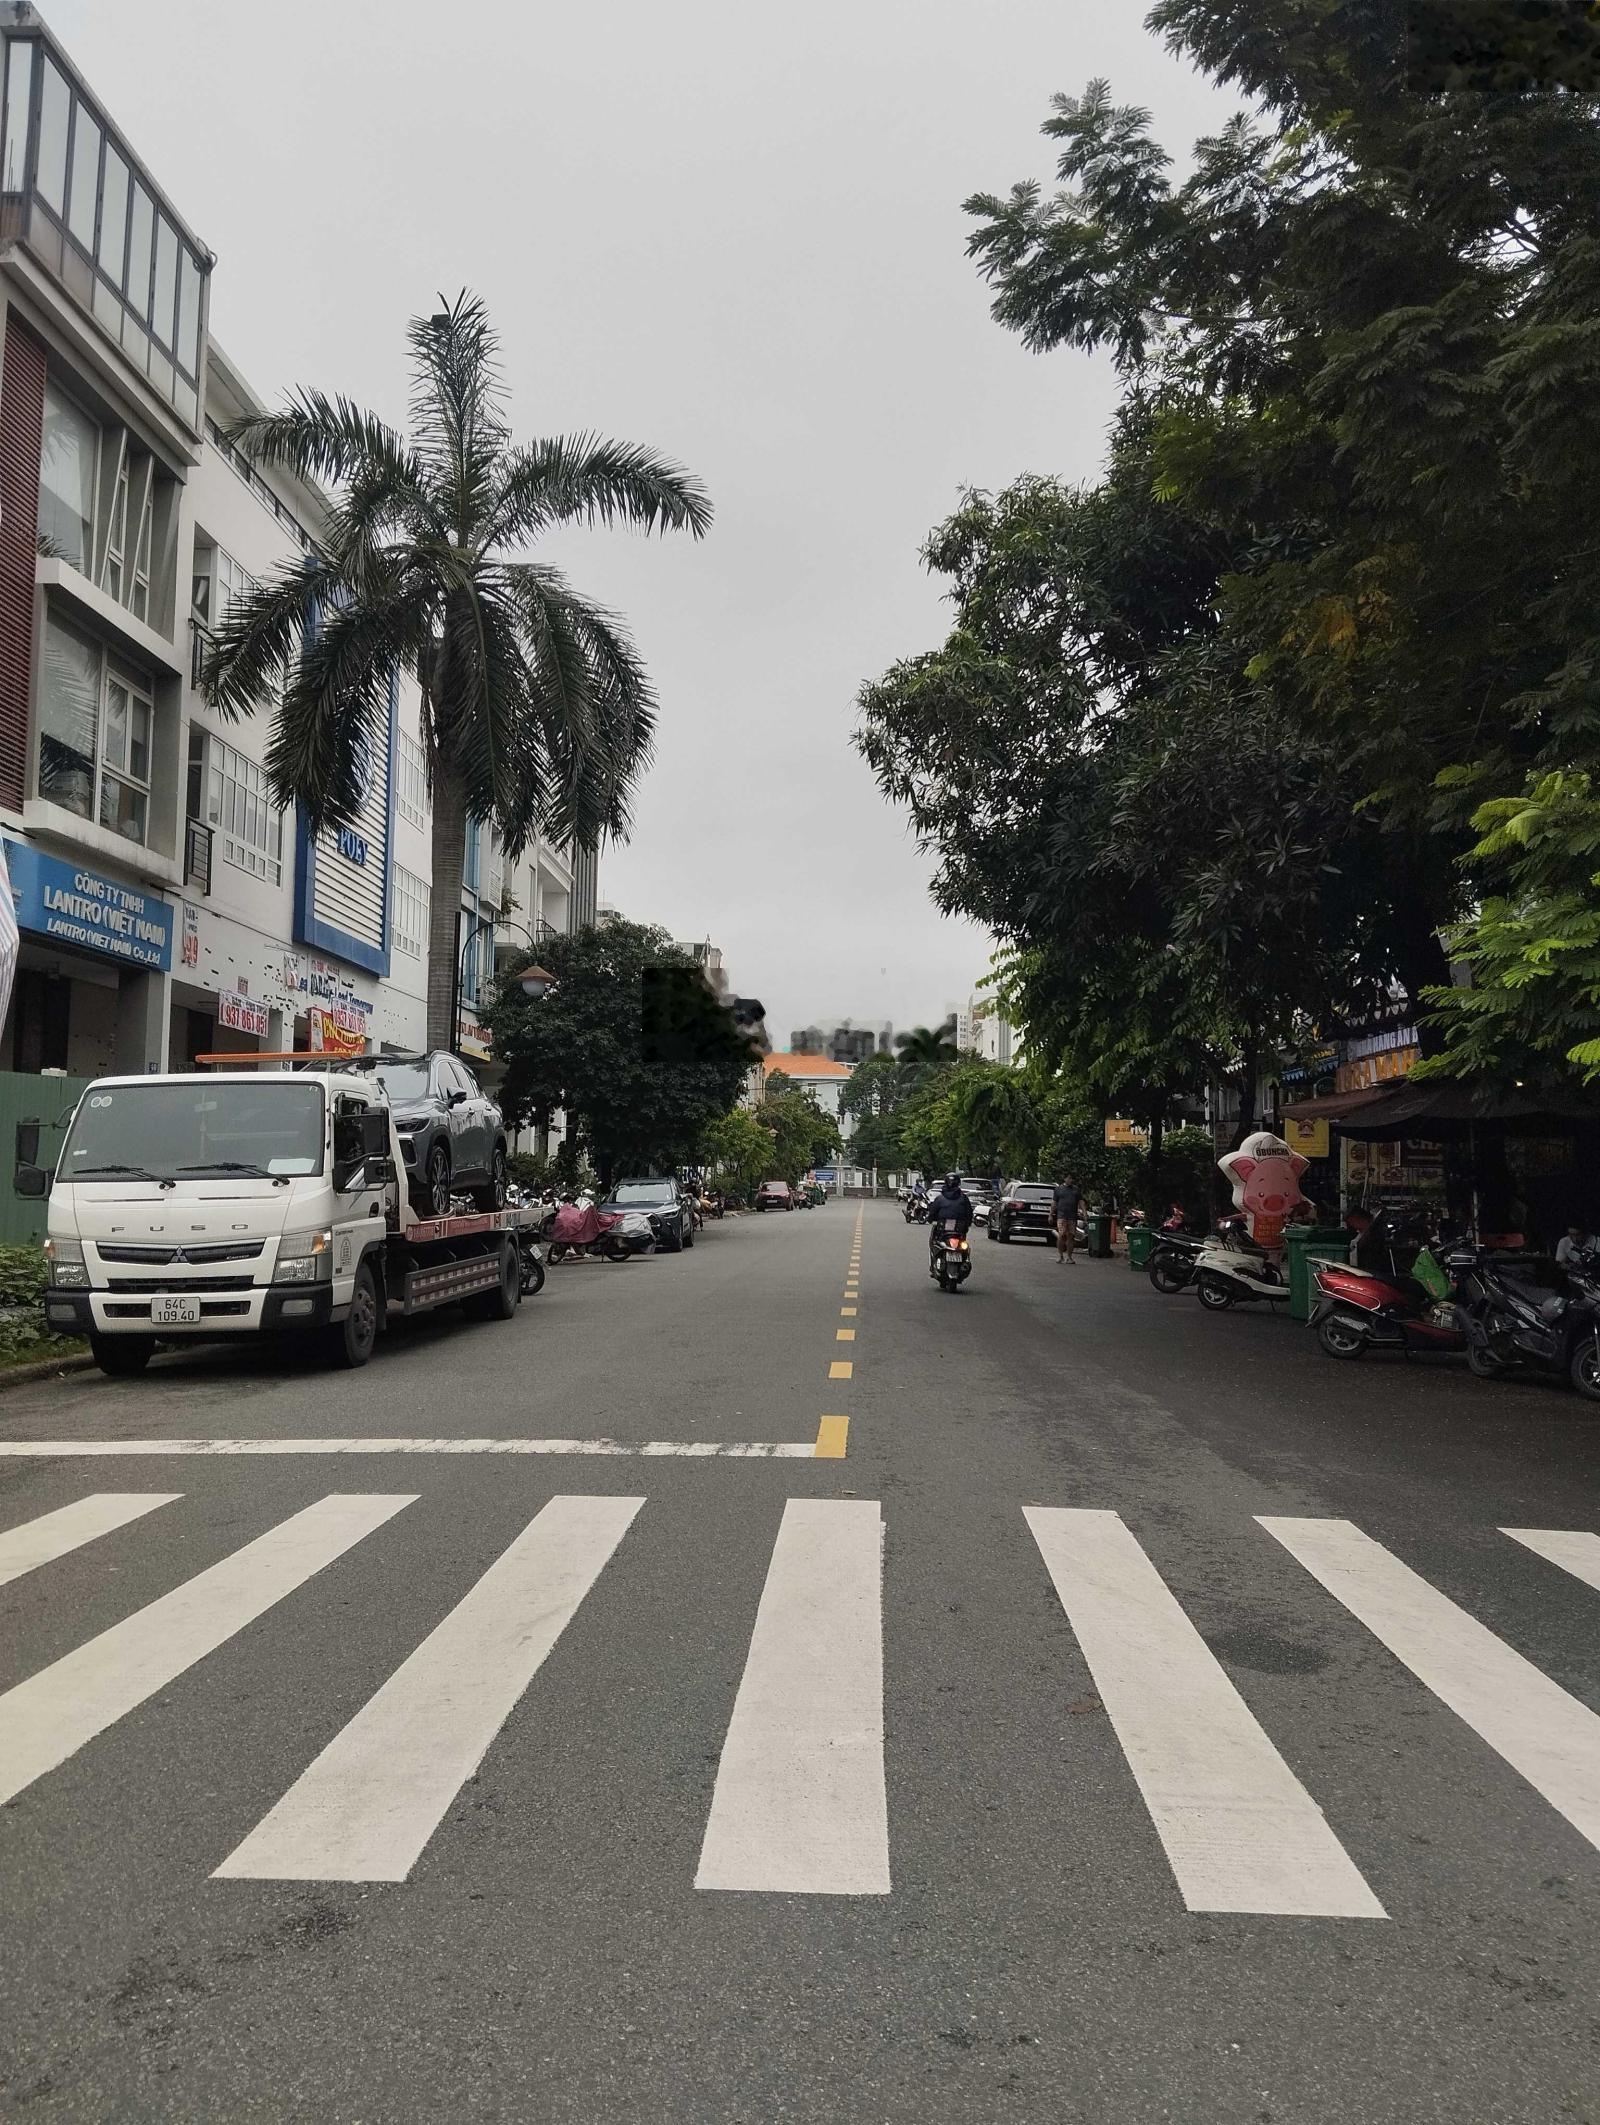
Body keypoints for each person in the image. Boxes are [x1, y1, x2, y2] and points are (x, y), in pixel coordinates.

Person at [927, 1171, 973, 1270]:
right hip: (959, 1231)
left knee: (934, 1242)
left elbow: (932, 1213)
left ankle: (933, 1265)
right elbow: (969, 1214)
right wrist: (967, 1224)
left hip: (943, 1231)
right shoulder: (964, 1198)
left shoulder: (940, 1198)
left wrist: (930, 1219)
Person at [1053, 1173, 1083, 1263]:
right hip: (1062, 1216)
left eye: (1071, 1178)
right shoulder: (1059, 1189)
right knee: (1061, 1235)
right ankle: (1060, 1255)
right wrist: (1050, 1214)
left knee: (1071, 1236)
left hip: (1072, 1217)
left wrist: (1084, 1213)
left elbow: (1081, 1202)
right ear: (1064, 1179)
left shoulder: (1076, 1190)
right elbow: (1054, 1202)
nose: (1070, 1180)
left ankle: (1069, 1257)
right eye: (1068, 1178)